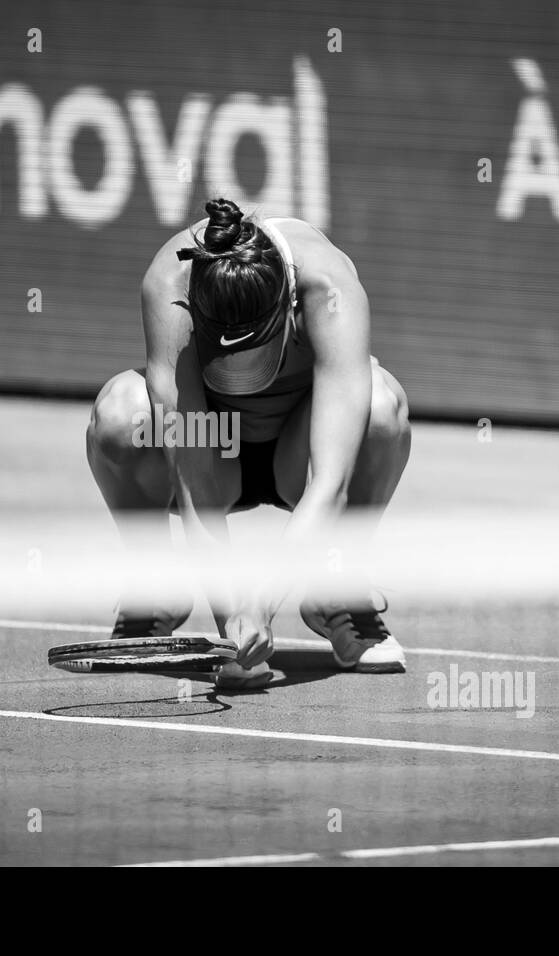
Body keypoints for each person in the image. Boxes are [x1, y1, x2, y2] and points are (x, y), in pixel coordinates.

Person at [86, 198, 411, 687]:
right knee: (118, 413)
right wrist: (232, 619)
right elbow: (192, 475)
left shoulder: (330, 289)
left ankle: (336, 590)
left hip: (297, 451)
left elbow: (330, 482)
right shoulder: (170, 289)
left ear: (288, 308)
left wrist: (260, 607)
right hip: (220, 448)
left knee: (383, 408)